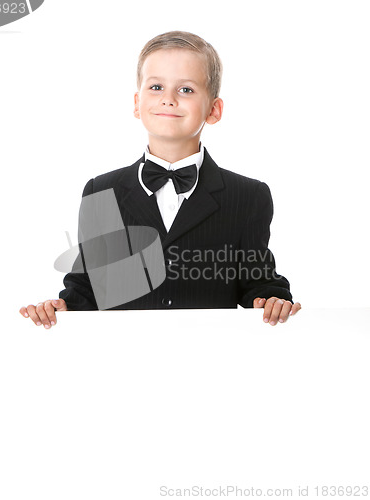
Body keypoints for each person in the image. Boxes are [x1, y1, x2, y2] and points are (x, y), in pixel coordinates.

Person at [19, 30, 301, 329]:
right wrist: (59, 308)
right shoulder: (101, 191)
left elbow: (257, 283)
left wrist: (270, 300)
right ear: (138, 103)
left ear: (214, 110)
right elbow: (85, 290)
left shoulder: (247, 196)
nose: (168, 99)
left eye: (186, 90)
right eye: (156, 87)